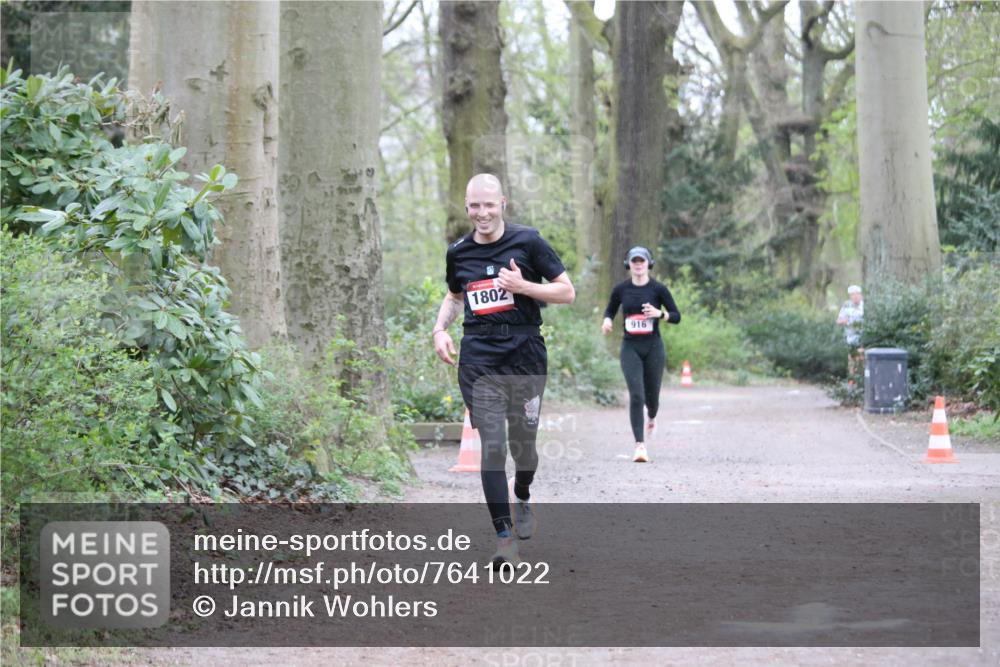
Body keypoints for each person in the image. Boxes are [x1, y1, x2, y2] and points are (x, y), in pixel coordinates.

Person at [432, 173, 575, 568]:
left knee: (523, 447)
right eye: (475, 206)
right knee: (493, 447)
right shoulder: (458, 252)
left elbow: (567, 291)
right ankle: (504, 539)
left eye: (489, 205)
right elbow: (455, 294)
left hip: (526, 355)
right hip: (480, 358)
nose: (482, 213)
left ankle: (523, 494)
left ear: (502, 204)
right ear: (466, 207)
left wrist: (524, 286)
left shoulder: (528, 241)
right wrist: (440, 328)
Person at [601, 246, 681, 463]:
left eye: (642, 261)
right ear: (629, 264)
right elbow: (610, 310)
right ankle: (640, 446)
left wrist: (659, 314)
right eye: (634, 261)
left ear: (648, 264)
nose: (638, 265)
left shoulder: (658, 289)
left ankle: (652, 416)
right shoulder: (621, 289)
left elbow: (676, 316)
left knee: (652, 399)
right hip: (630, 347)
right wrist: (607, 320)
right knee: (637, 395)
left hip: (653, 347)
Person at [836, 284, 865, 380]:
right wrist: (845, 321)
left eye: (857, 294)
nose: (855, 296)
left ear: (861, 295)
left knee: (862, 360)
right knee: (852, 362)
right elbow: (838, 320)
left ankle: (863, 382)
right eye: (853, 295)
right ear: (850, 296)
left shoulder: (864, 306)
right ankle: (852, 384)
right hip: (851, 339)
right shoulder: (846, 306)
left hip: (864, 339)